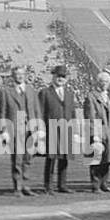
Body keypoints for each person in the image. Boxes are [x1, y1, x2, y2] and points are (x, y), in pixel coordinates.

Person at [0, 65, 40, 196]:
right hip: (15, 129)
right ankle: (18, 187)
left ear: (25, 75)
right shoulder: (6, 92)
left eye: (22, 74)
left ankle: (26, 186)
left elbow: (37, 110)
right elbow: (2, 113)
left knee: (28, 159)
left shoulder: (31, 90)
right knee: (17, 159)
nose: (19, 76)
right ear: (13, 76)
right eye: (17, 74)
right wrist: (3, 131)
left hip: (30, 129)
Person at [38, 64, 77, 193]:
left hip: (66, 128)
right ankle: (48, 185)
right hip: (51, 129)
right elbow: (41, 112)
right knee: (51, 159)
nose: (61, 78)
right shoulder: (45, 92)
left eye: (63, 76)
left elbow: (72, 113)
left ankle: (62, 184)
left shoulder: (69, 93)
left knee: (64, 159)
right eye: (58, 76)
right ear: (53, 76)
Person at [84, 70, 110, 193]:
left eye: (107, 82)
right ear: (98, 82)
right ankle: (95, 185)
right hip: (97, 130)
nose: (104, 84)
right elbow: (90, 116)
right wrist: (94, 134)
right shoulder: (91, 96)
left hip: (108, 131)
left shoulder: (108, 96)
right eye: (102, 81)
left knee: (107, 159)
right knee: (96, 159)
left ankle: (104, 183)